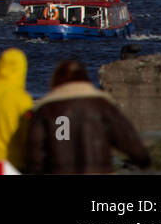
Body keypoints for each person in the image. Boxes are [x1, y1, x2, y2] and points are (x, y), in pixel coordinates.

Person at [22, 59, 150, 174]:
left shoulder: (46, 108)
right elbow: (126, 136)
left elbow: (34, 149)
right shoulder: (101, 105)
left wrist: (35, 169)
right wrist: (142, 159)